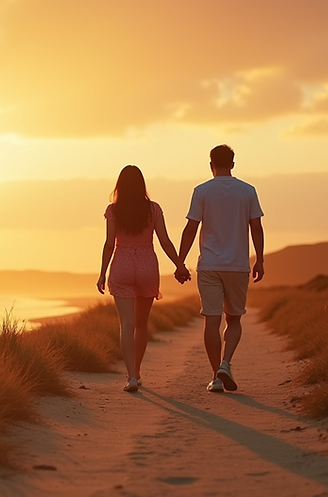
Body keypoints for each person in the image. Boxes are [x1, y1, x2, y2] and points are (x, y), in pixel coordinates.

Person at [174, 145, 264, 393]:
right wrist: (261, 260)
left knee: (211, 321)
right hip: (237, 265)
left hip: (210, 265)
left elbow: (191, 228)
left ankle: (216, 376)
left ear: (210, 164)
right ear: (233, 164)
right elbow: (256, 227)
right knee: (234, 319)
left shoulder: (202, 191)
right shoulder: (248, 191)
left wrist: (180, 261)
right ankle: (226, 363)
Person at [98, 165, 186, 392]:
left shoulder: (113, 210)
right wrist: (179, 265)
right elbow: (165, 241)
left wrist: (102, 272)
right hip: (147, 264)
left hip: (122, 264)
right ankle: (137, 370)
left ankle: (131, 377)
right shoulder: (153, 209)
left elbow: (109, 244)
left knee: (126, 324)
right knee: (141, 324)